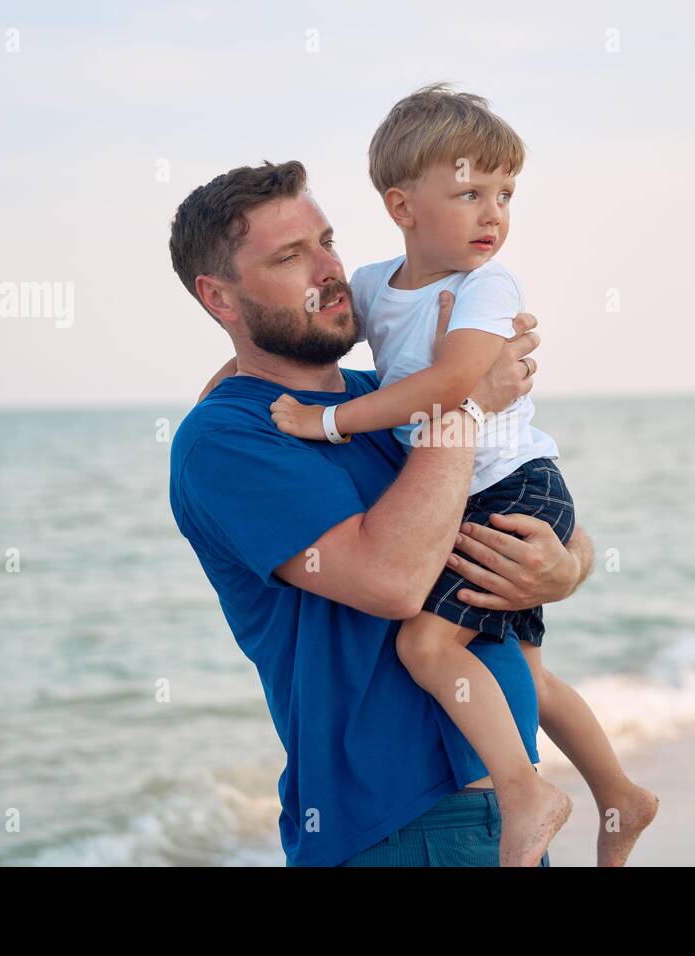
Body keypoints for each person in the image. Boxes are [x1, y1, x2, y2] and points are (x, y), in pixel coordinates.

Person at [268, 85, 659, 866]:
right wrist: (228, 380)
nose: (493, 215)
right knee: (528, 674)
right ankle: (620, 794)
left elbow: (451, 388)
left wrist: (332, 421)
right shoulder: (378, 286)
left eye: (506, 194)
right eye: (469, 192)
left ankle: (523, 793)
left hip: (514, 484)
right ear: (402, 205)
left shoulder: (487, 287)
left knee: (427, 647)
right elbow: (306, 337)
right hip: (472, 488)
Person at [168, 158, 591, 866]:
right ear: (221, 298)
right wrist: (461, 403)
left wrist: (564, 569)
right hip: (398, 827)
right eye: (289, 256)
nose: (329, 269)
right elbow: (392, 580)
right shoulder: (226, 439)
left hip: (508, 815)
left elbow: (537, 498)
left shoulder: (385, 397)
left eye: (326, 240)